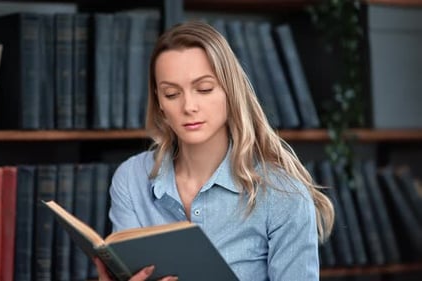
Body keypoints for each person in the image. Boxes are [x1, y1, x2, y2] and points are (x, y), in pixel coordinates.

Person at [95, 21, 334, 281]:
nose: (189, 106)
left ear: (230, 91)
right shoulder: (130, 179)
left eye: (204, 89)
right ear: (160, 102)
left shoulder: (284, 197)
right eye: (172, 94)